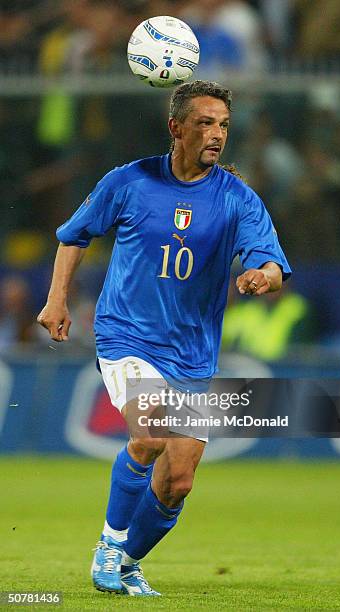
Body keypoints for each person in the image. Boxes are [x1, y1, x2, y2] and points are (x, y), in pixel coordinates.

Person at [37, 80, 291, 597]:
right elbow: (73, 236)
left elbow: (271, 263)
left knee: (178, 482)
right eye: (204, 123)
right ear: (176, 127)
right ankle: (109, 545)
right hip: (127, 335)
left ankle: (128, 562)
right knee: (150, 432)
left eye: (222, 124)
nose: (216, 134)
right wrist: (56, 300)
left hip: (192, 354)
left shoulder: (237, 199)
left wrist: (262, 276)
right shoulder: (128, 182)